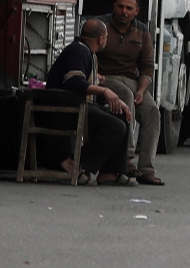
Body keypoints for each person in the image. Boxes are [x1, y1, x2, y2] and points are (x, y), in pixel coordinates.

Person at [45, 19, 135, 185]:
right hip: (65, 109)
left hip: (80, 105)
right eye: (106, 37)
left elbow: (89, 91)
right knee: (115, 127)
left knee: (121, 116)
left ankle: (110, 172)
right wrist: (104, 91)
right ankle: (75, 163)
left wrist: (119, 102)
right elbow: (74, 82)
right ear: (101, 39)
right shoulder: (79, 51)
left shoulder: (89, 54)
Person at [94, 0, 163, 185]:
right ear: (114, 7)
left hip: (132, 80)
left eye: (129, 8)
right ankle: (127, 160)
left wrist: (141, 90)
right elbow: (89, 51)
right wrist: (95, 74)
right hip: (106, 78)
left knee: (151, 111)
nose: (124, 11)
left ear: (136, 11)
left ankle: (147, 169)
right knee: (125, 95)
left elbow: (147, 66)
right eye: (120, 6)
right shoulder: (102, 26)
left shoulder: (143, 32)